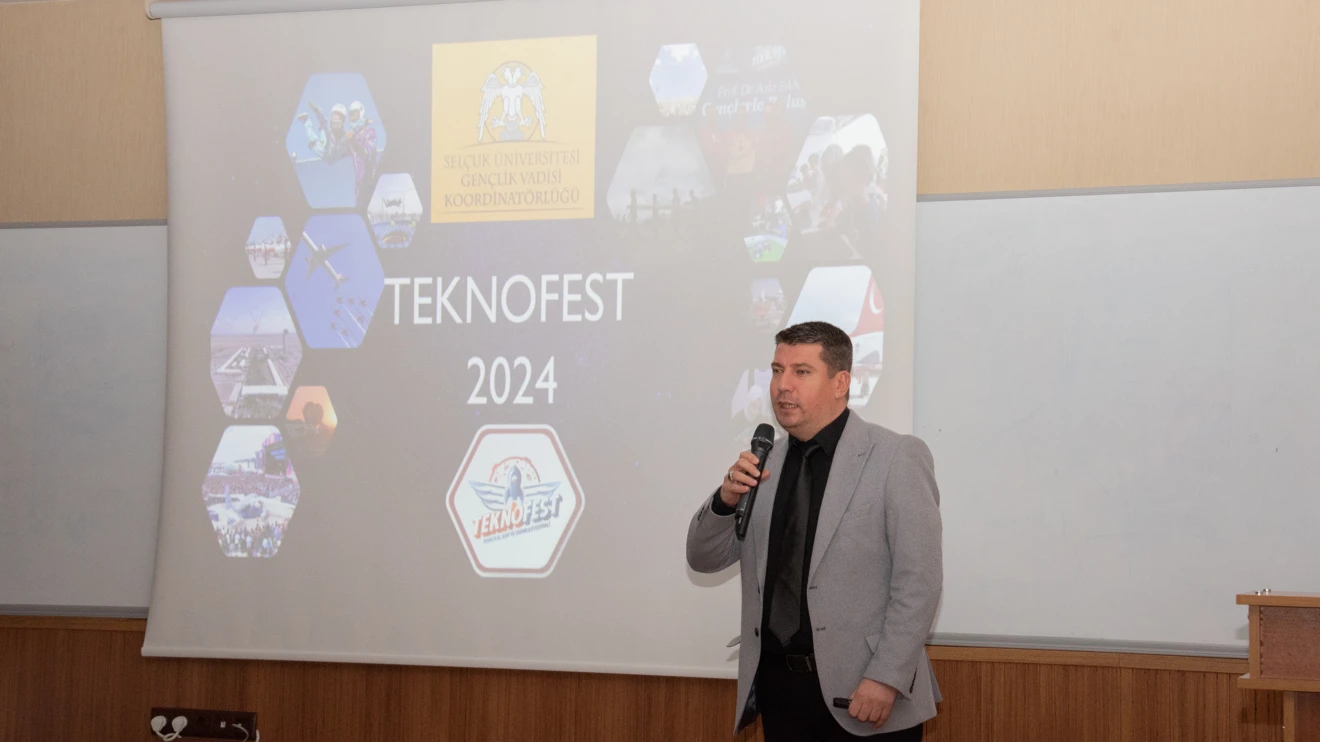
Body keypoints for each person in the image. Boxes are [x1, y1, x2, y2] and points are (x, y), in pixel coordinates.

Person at [687, 321, 942, 740]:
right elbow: (702, 558)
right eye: (777, 370)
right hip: (779, 691)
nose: (782, 386)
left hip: (865, 693)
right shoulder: (762, 464)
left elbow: (919, 581)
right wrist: (725, 500)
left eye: (801, 372)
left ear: (841, 382)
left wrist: (886, 676)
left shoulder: (895, 457)